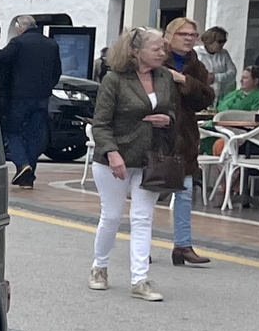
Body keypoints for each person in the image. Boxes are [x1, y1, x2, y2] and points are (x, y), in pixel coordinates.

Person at [89, 26, 177, 301]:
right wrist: (113, 154)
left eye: (164, 48)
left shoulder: (164, 77)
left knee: (142, 218)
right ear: (136, 52)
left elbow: (171, 109)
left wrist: (169, 119)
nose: (163, 52)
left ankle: (140, 279)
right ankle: (99, 267)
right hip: (114, 158)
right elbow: (100, 124)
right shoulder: (114, 80)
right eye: (156, 48)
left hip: (150, 157)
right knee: (112, 216)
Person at [160, 18, 220, 268]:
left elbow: (206, 97)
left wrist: (185, 81)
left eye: (193, 35)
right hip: (157, 133)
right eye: (183, 34)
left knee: (184, 191)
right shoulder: (156, 58)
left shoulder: (196, 64)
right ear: (170, 35)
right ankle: (139, 243)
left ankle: (183, 246)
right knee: (151, 191)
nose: (189, 38)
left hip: (184, 134)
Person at [0, 14, 63, 188]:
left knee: (13, 132)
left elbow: (2, 59)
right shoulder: (51, 44)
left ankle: (22, 164)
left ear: (20, 27)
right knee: (34, 136)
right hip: (42, 98)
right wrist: (46, 87)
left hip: (19, 97)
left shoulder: (18, 43)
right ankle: (28, 176)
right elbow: (57, 72)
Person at [201, 25, 239, 100]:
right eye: (220, 41)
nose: (222, 44)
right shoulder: (196, 53)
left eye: (224, 41)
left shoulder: (224, 53)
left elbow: (232, 72)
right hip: (202, 93)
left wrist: (215, 77)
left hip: (221, 95)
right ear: (209, 40)